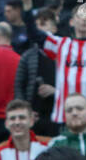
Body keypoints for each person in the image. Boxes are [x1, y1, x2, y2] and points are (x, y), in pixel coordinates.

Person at [14, 8, 60, 138]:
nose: (39, 28)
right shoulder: (28, 56)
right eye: (37, 25)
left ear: (54, 29)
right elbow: (19, 85)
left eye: (44, 24)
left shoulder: (65, 54)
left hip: (57, 115)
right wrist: (25, 110)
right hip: (34, 116)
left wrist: (55, 91)